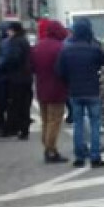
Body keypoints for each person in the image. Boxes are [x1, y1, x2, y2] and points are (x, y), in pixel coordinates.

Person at [57, 18, 104, 168]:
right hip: (92, 90)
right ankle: (95, 156)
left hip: (75, 91)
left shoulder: (66, 49)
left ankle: (79, 157)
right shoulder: (93, 47)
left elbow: (59, 71)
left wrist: (69, 80)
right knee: (95, 124)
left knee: (78, 124)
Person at [30, 19, 69, 163]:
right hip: (57, 88)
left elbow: (32, 67)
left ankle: (47, 147)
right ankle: (50, 149)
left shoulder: (38, 46)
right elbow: (64, 69)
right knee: (55, 120)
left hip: (41, 87)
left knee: (46, 120)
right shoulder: (60, 47)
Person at [0, 22, 33, 139]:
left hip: (16, 77)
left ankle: (13, 128)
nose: (7, 33)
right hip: (26, 77)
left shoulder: (15, 42)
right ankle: (24, 129)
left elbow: (12, 58)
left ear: (13, 30)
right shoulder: (24, 40)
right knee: (25, 104)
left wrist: (0, 69)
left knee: (14, 104)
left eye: (9, 30)